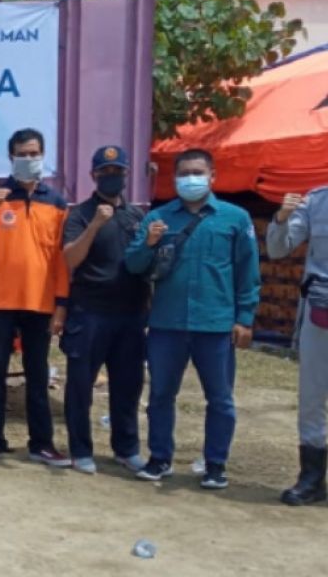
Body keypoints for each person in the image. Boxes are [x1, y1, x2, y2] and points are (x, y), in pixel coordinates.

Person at [125, 148, 260, 488]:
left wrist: (244, 318)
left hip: (215, 324)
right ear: (174, 179)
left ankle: (216, 464)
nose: (190, 179)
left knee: (220, 398)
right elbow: (134, 265)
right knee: (160, 395)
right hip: (166, 323)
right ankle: (159, 458)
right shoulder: (158, 217)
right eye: (184, 173)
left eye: (198, 172)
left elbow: (248, 271)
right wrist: (149, 243)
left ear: (212, 176)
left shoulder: (235, 218)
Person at [0, 128, 71, 468]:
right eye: (22, 154)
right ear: (10, 156)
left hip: (39, 304)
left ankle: (41, 444)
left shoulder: (56, 203)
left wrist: (61, 305)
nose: (28, 160)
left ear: (43, 155)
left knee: (38, 376)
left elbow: (60, 259)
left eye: (34, 153)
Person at [59, 145, 149, 475]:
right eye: (105, 172)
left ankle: (127, 449)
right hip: (90, 312)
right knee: (80, 385)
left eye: (118, 172)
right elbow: (70, 259)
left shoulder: (138, 216)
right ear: (93, 176)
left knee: (128, 384)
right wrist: (94, 225)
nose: (112, 177)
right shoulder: (81, 214)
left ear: (127, 174)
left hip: (131, 314)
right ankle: (80, 450)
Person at [268, 188, 328, 505]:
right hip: (321, 314)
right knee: (312, 395)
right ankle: (311, 478)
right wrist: (281, 218)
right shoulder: (315, 201)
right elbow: (278, 250)